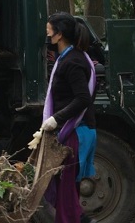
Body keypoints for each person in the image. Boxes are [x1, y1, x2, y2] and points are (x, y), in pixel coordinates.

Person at [41, 12, 97, 223]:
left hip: (76, 133)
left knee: (66, 195)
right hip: (76, 130)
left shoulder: (72, 62)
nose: (47, 37)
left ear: (59, 35)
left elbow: (82, 98)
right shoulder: (69, 58)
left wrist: (57, 118)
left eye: (48, 32)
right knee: (68, 192)